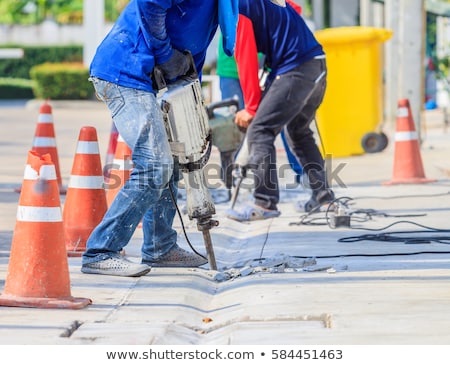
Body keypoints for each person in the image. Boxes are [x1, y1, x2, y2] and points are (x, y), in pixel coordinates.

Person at [81, 0, 238, 277]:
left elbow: (191, 51)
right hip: (125, 72)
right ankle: (100, 251)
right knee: (155, 164)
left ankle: (160, 247)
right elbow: (151, 3)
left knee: (176, 158)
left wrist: (189, 100)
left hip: (153, 79)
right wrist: (165, 54)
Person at [227, 0, 335, 222]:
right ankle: (324, 198)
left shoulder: (238, 7)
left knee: (260, 130)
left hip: (295, 68)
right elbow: (294, 8)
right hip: (317, 64)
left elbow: (245, 57)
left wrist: (251, 107)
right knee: (298, 131)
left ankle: (264, 203)